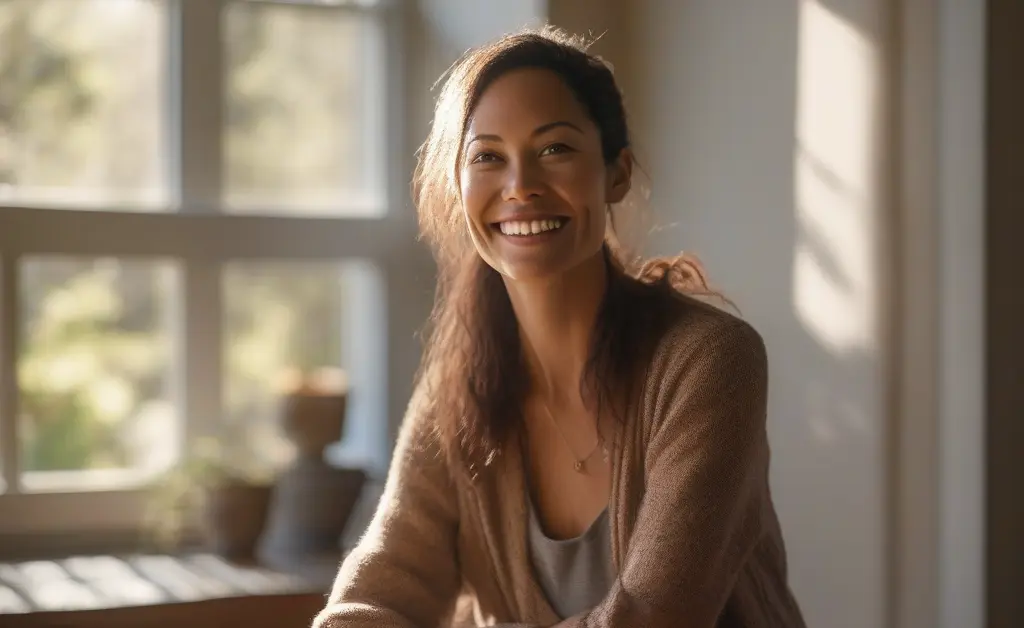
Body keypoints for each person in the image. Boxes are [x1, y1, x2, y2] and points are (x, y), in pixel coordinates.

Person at [314, 26, 806, 628]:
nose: (520, 187)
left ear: (616, 173)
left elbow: (654, 618)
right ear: (459, 186)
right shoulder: (454, 393)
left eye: (555, 150)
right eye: (488, 157)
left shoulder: (710, 363)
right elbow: (370, 600)